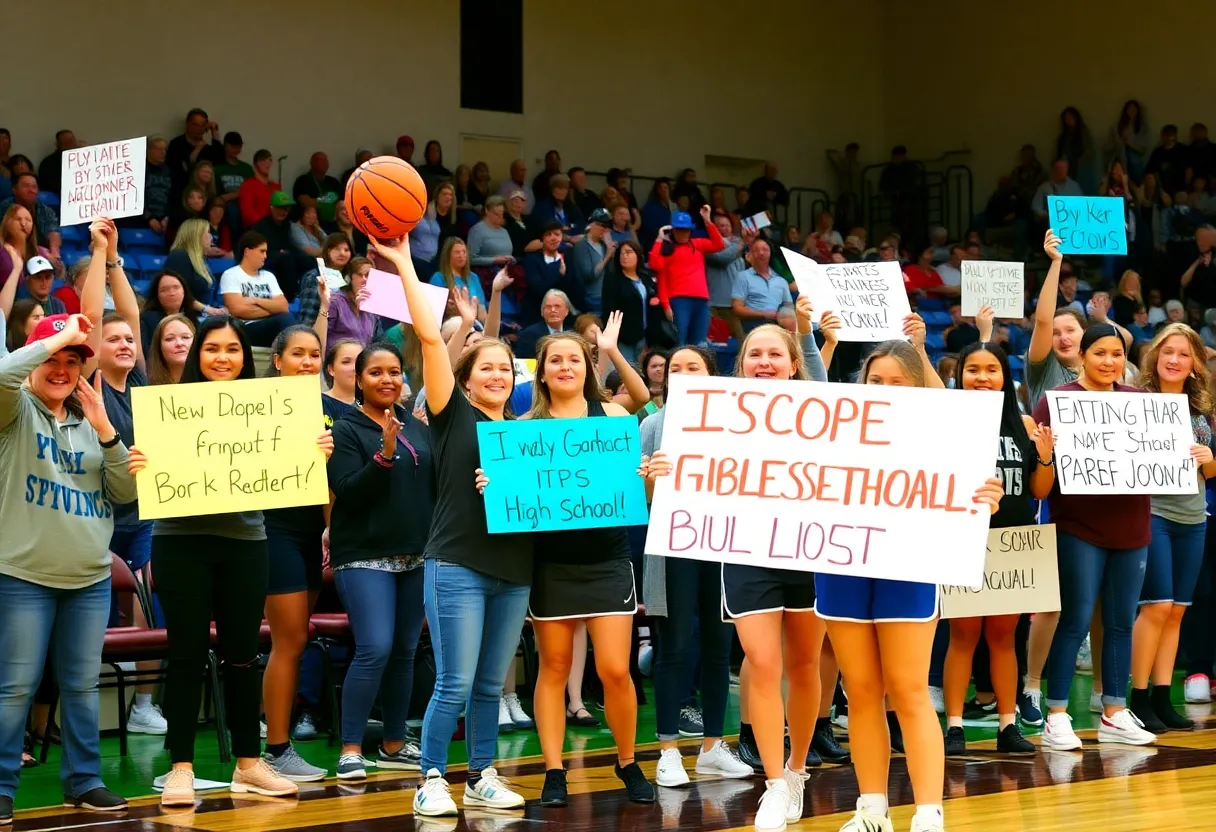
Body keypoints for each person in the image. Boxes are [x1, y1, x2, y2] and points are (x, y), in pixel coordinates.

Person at [367, 236, 531, 819]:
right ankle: (431, 777)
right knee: (454, 682)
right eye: (487, 367)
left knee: (490, 684)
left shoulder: (526, 433)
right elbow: (432, 338)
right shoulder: (450, 413)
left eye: (506, 369)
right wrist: (407, 263)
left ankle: (482, 774)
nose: (498, 375)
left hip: (514, 571)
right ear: (464, 379)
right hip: (457, 561)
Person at [819, 330, 1004, 832]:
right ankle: (872, 809)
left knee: (907, 689)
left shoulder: (944, 433)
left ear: (919, 386)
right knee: (860, 690)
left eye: (896, 381)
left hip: (911, 561)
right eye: (874, 379)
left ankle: (928, 813)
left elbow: (966, 486)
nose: (882, 387)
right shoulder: (834, 430)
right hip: (842, 561)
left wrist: (986, 494)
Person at [147, 315, 333, 807]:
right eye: (212, 349)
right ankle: (180, 768)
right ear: (195, 355)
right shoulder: (167, 407)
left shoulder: (269, 410)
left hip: (247, 542)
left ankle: (249, 764)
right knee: (186, 654)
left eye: (232, 348)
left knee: (243, 656)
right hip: (180, 542)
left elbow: (293, 473)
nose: (222, 357)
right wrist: (142, 462)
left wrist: (315, 452)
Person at [475, 315, 657, 808]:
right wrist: (492, 489)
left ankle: (627, 762)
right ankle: (554, 772)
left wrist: (652, 476)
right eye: (555, 359)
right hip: (551, 565)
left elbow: (636, 495)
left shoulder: (616, 421)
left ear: (587, 367)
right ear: (541, 372)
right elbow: (510, 505)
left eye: (573, 358)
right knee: (553, 668)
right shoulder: (522, 430)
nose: (564, 365)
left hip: (608, 560)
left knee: (617, 670)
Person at [0, 228, 139, 824]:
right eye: (51, 361)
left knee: (81, 690)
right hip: (22, 575)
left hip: (87, 578)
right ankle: (2, 788)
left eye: (72, 364)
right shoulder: (13, 409)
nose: (62, 371)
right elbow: (5, 375)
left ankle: (82, 781)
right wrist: (61, 335)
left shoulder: (92, 418)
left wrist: (108, 429)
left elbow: (126, 493)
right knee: (13, 691)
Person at [1031, 324, 1156, 751]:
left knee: (1121, 621)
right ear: (1082, 355)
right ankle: (1057, 715)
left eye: (1117, 354)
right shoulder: (1057, 400)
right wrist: (1047, 453)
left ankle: (1115, 713)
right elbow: (1042, 477)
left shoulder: (1140, 402)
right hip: (1078, 526)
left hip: (1133, 525)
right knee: (1077, 618)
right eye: (1100, 353)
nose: (1109, 362)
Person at [638, 345, 757, 791]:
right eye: (675, 368)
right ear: (665, 378)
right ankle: (668, 750)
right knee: (673, 647)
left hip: (723, 545)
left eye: (694, 367)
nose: (683, 373)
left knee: (718, 649)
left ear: (711, 374)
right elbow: (643, 499)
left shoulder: (738, 422)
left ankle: (711, 748)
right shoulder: (652, 424)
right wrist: (653, 476)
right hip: (673, 547)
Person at [942, 321, 1054, 757]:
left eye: (992, 369)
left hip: (1013, 542)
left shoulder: (1023, 424)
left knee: (1005, 638)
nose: (983, 377)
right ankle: (954, 726)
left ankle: (1008, 724)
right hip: (962, 539)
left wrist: (1045, 456)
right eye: (974, 369)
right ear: (960, 375)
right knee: (963, 637)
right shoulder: (946, 421)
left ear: (1005, 377)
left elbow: (1040, 490)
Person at [327, 340, 436, 780]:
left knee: (406, 650)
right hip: (363, 556)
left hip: (416, 554)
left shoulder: (417, 425)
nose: (387, 380)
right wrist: (386, 454)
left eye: (394, 372)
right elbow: (350, 490)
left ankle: (393, 742)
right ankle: (351, 748)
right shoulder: (345, 429)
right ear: (359, 379)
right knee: (375, 647)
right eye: (376, 373)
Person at [82, 220, 168, 735]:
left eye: (128, 340)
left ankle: (143, 706)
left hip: (142, 515)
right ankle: (82, 699)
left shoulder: (139, 382)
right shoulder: (90, 381)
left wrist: (116, 257)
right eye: (112, 339)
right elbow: (97, 316)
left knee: (149, 596)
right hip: (95, 516)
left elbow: (130, 313)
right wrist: (99, 252)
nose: (124, 343)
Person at [256, 324, 336, 783]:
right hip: (273, 530)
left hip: (310, 533)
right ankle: (276, 749)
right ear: (279, 360)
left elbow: (330, 480)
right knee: (288, 641)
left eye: (313, 355)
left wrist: (330, 528)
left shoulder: (326, 410)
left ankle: (275, 744)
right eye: (298, 354)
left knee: (297, 640)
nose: (307, 362)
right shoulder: (254, 406)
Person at [1128, 324, 1215, 732]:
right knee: (1157, 606)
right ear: (1155, 356)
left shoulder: (1201, 408)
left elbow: (1211, 472)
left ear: (1195, 362)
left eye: (1183, 353)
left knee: (1178, 610)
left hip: (1194, 516)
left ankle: (1164, 697)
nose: (1174, 359)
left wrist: (1206, 455)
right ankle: (1138, 697)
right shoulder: (1136, 400)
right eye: (1167, 351)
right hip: (1153, 512)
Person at [649, 204, 724, 346]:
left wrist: (707, 220)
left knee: (700, 343)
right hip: (679, 300)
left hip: (701, 300)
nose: (683, 233)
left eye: (686, 230)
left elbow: (718, 244)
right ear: (673, 230)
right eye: (679, 230)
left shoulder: (697, 244)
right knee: (680, 341)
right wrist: (659, 239)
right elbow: (656, 267)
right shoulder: (667, 249)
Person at [218, 232, 295, 347]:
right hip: (246, 328)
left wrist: (256, 300)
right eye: (262, 251)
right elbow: (237, 310)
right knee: (285, 319)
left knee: (289, 320)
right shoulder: (231, 275)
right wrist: (272, 310)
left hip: (271, 324)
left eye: (266, 252)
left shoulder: (268, 276)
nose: (265, 256)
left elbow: (283, 306)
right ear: (247, 251)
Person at [600, 241, 661, 365]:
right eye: (621, 253)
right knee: (625, 373)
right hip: (623, 337)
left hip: (644, 335)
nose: (624, 256)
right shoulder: (613, 279)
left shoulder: (645, 278)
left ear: (638, 255)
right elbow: (608, 309)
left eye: (628, 252)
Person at [731, 237, 792, 331]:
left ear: (770, 253)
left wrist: (783, 316)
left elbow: (789, 307)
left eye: (765, 249)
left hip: (778, 326)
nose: (761, 253)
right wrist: (764, 314)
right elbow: (737, 309)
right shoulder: (743, 277)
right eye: (756, 250)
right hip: (753, 326)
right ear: (750, 254)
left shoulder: (781, 281)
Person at [325, 257, 383, 346]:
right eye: (360, 274)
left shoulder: (372, 307)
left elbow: (378, 341)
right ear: (349, 278)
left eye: (368, 275)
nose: (365, 279)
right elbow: (323, 335)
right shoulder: (335, 302)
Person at [166, 218, 222, 309]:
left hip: (201, 314)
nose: (210, 236)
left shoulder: (200, 260)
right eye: (207, 232)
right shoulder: (179, 257)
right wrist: (206, 310)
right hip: (186, 315)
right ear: (196, 235)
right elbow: (179, 295)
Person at [566, 208, 615, 313]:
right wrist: (607, 256)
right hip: (591, 299)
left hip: (606, 296)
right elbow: (589, 276)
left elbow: (612, 270)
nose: (605, 229)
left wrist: (610, 250)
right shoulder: (581, 246)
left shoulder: (604, 245)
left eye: (607, 227)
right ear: (591, 224)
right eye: (601, 225)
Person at [410, 183, 460, 277]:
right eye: (445, 194)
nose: (448, 197)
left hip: (442, 258)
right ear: (437, 196)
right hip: (421, 256)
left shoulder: (454, 218)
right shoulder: (427, 213)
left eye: (451, 195)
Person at [430, 238, 485, 321]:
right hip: (452, 323)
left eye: (464, 252)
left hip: (475, 324)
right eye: (457, 252)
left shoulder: (473, 277)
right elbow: (434, 310)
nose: (461, 256)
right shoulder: (438, 277)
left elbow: (481, 308)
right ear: (448, 255)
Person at [467, 196, 516, 268]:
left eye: (501, 213)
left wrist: (511, 259)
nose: (500, 217)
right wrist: (494, 260)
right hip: (486, 273)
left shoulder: (504, 231)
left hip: (505, 271)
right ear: (487, 211)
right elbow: (470, 259)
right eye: (496, 214)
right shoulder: (477, 230)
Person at [292, 152, 341, 224]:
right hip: (312, 223)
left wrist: (316, 201)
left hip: (335, 223)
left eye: (326, 160)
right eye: (321, 160)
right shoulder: (303, 180)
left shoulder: (333, 182)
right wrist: (327, 199)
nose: (324, 163)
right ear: (312, 163)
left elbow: (341, 204)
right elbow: (305, 203)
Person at [147, 315, 194, 386]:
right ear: (159, 346)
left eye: (185, 337)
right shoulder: (144, 384)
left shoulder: (210, 380)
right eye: (170, 339)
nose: (179, 343)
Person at [238, 150, 280, 229]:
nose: (267, 162)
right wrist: (265, 224)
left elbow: (282, 207)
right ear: (255, 165)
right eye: (263, 160)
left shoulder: (276, 186)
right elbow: (247, 212)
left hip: (276, 227)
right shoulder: (248, 185)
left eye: (270, 160)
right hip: (257, 228)